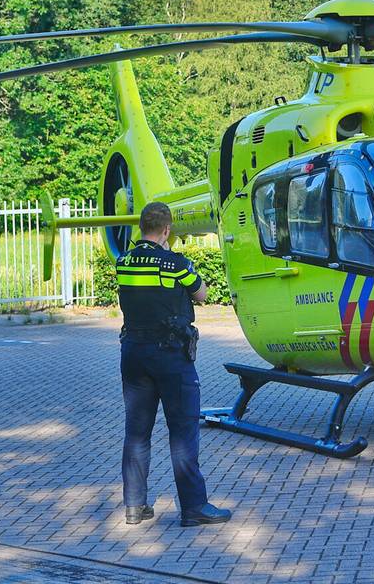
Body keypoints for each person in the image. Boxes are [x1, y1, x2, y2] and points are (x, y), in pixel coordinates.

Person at [117, 202, 230, 526]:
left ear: (141, 227)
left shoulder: (124, 262)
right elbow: (202, 294)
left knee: (137, 433)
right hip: (169, 356)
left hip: (134, 354)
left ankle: (135, 506)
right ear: (166, 230)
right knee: (182, 432)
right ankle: (193, 507)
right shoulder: (174, 263)